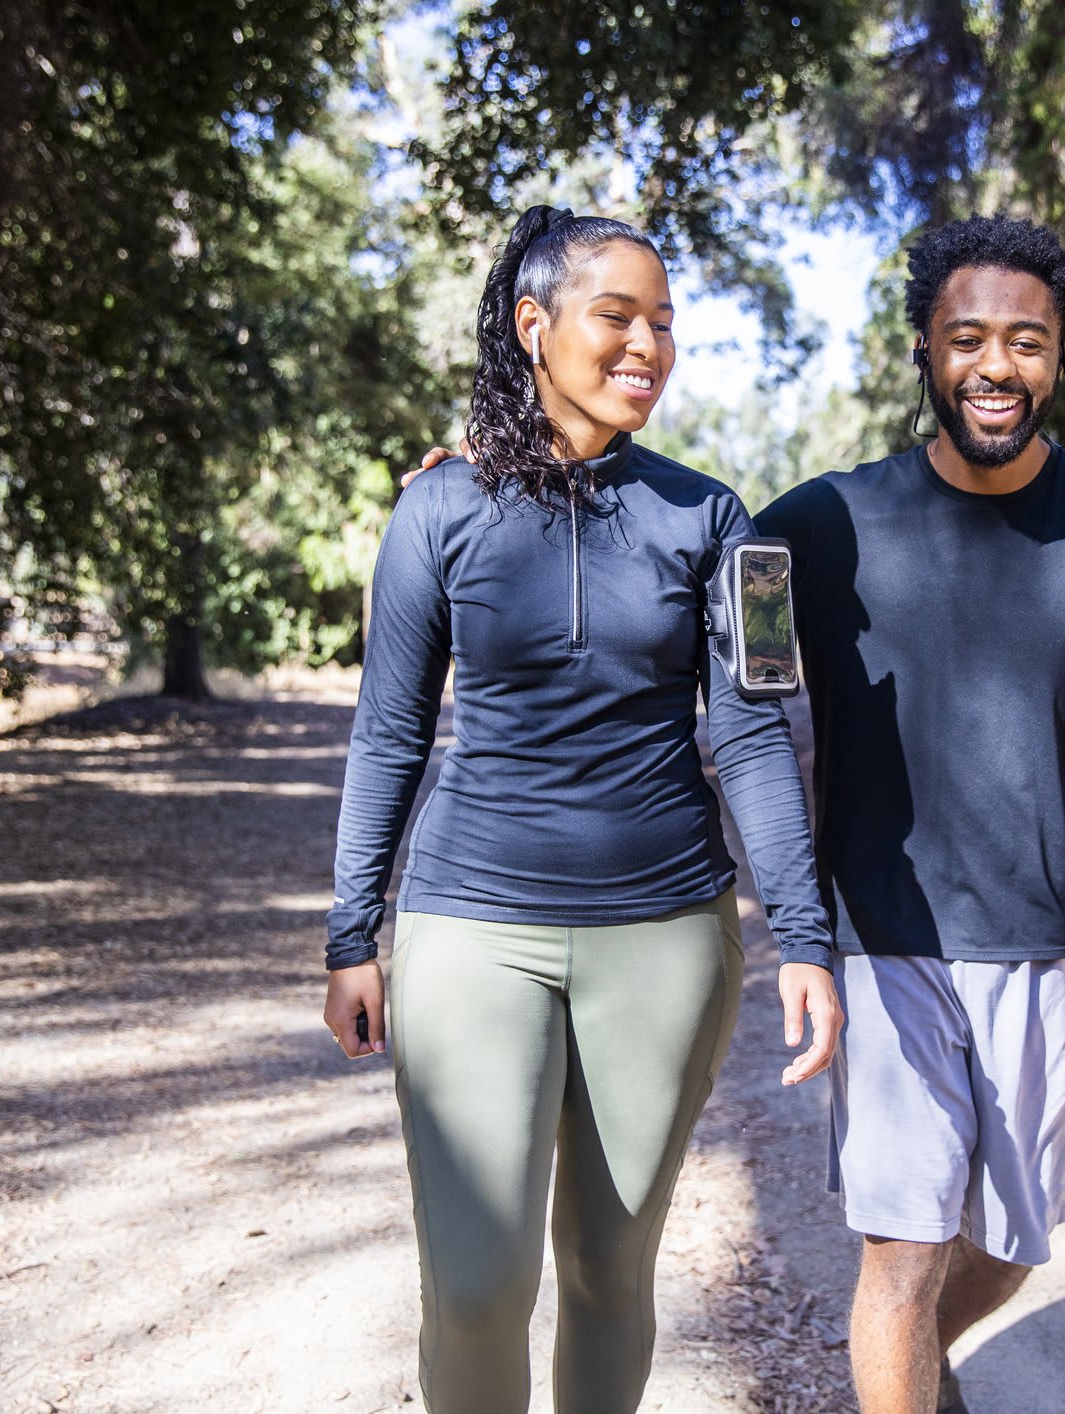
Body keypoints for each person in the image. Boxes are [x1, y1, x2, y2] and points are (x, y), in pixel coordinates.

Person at [324, 204, 843, 1414]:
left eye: (665, 323)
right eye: (618, 316)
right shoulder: (433, 513)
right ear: (533, 324)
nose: (647, 346)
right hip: (469, 933)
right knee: (473, 1283)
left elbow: (756, 731)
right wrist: (354, 932)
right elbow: (391, 729)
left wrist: (804, 939)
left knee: (610, 1270)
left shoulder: (725, 522)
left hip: (663, 941)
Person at [752, 216, 1065, 1414]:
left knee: (1008, 1243)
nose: (995, 365)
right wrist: (503, 473)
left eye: (1026, 341)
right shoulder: (813, 525)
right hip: (879, 934)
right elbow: (686, 578)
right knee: (897, 1254)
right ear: (923, 353)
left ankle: (914, 1374)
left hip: (1040, 941)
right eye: (967, 339)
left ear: (1059, 359)